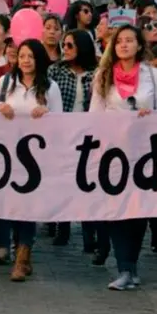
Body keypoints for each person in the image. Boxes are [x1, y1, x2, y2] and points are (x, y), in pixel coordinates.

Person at [90, 24, 157, 290]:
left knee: (138, 212)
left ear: (139, 45)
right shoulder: (103, 76)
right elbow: (95, 116)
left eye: (129, 40)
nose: (124, 45)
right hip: (112, 155)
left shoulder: (154, 75)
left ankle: (132, 266)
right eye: (119, 41)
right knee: (115, 211)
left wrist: (152, 118)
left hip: (145, 153)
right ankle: (123, 267)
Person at [0, 39, 61, 280]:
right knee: (7, 203)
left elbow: (61, 120)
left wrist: (47, 114)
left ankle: (23, 255)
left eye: (31, 56)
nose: (26, 61)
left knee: (27, 205)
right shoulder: (6, 82)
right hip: (5, 154)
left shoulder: (50, 87)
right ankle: (10, 244)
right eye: (22, 56)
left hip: (35, 158)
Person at [48, 29, 98, 249]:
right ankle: (62, 225)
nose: (64, 50)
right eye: (63, 45)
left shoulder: (97, 73)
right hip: (63, 134)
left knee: (88, 184)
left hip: (90, 134)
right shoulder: (55, 71)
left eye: (70, 45)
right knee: (64, 182)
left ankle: (89, 234)